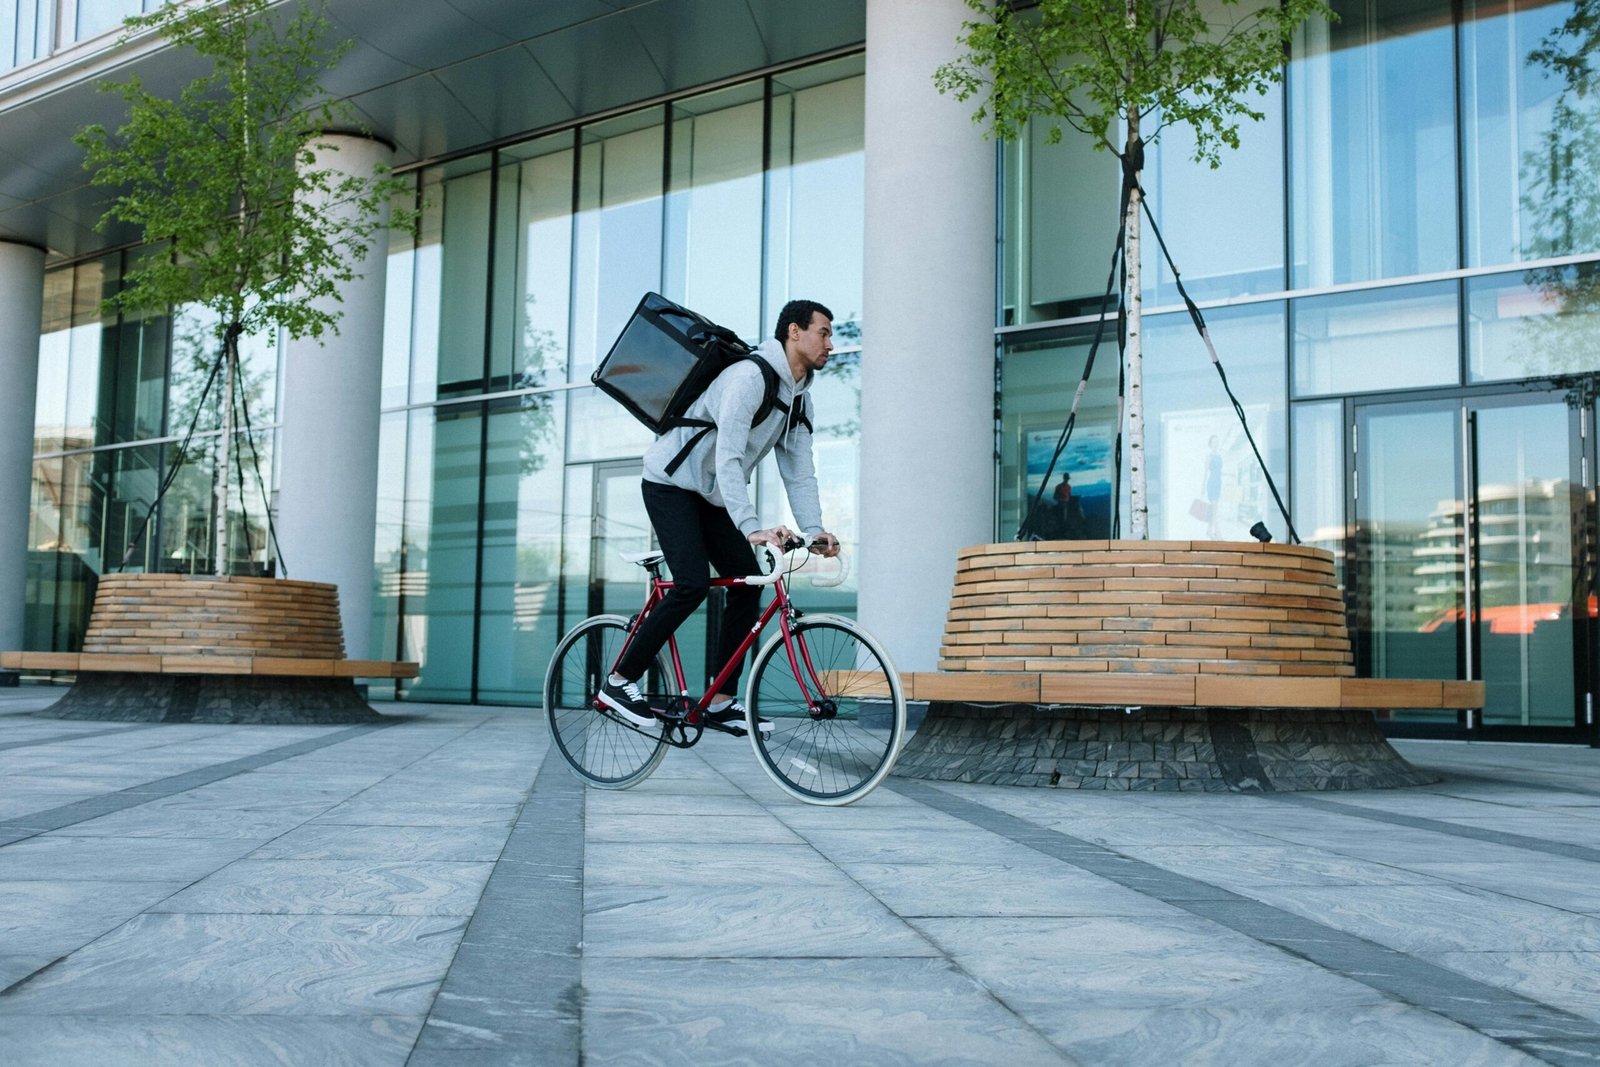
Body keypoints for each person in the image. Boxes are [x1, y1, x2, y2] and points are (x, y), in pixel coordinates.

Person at [601, 299, 843, 731]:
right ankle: (619, 681)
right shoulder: (749, 378)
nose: (830, 343)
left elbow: (800, 473)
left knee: (747, 586)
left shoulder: (800, 402)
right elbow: (729, 458)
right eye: (823, 332)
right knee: (691, 583)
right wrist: (751, 527)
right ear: (794, 332)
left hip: (711, 497)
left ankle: (720, 700)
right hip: (670, 485)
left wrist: (814, 530)